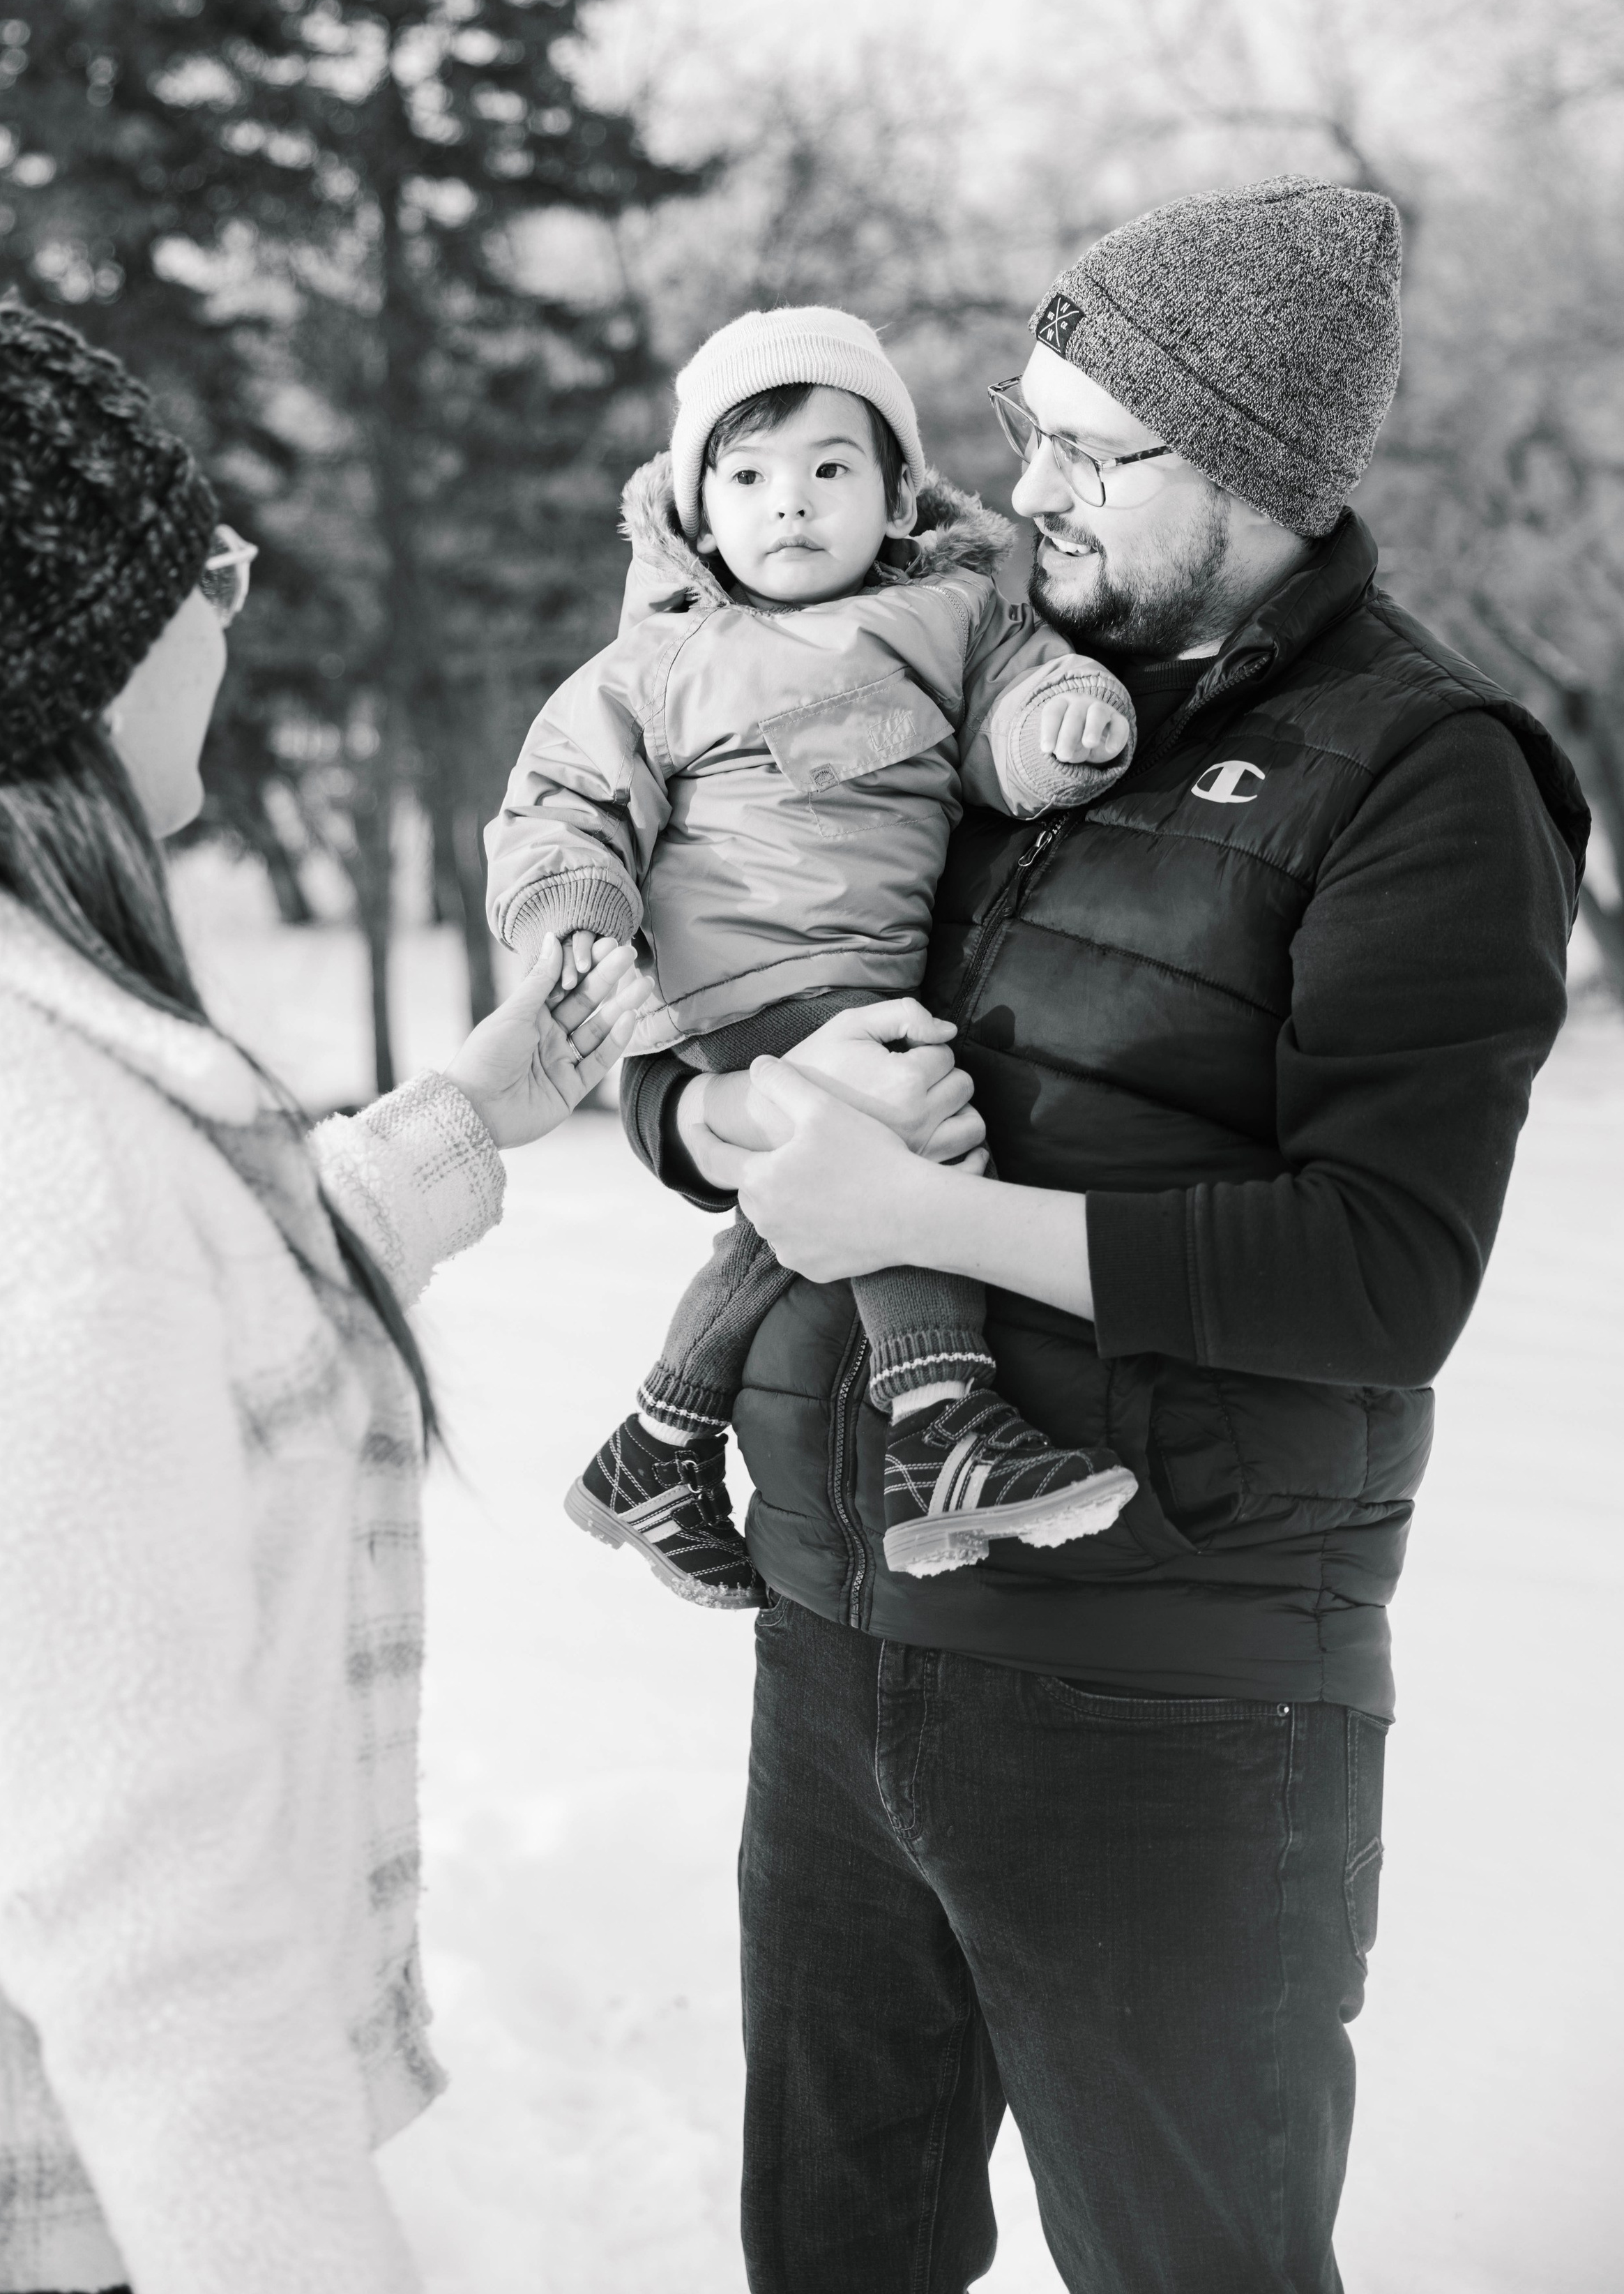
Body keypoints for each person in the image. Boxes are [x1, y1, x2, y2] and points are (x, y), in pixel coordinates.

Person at [618, 181, 1590, 2294]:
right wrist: (712, 1111)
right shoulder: (997, 686)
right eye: (1022, 422)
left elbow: (1382, 1270)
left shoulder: (1423, 772)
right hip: (840, 1638)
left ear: (1245, 462)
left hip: (1165, 1691)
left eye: (1087, 446)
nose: (1021, 481)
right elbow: (761, 941)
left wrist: (928, 1211)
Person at [0, 250, 646, 2294]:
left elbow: (164, 1369)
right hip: (54, 2219)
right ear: (76, 662)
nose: (229, 605)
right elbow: (140, 1906)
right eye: (203, 567)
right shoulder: (22, 1162)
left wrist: (456, 1117)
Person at [484, 305, 1140, 1609]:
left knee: (812, 1187)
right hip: (736, 974)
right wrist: (575, 909)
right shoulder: (662, 657)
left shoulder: (954, 616)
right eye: (749, 477)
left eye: (830, 469)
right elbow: (564, 798)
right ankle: (942, 1422)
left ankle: (657, 1446)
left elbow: (1015, 707)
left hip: (861, 971)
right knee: (892, 1142)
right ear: (696, 509)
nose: (791, 504)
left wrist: (1062, 725)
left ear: (898, 492)